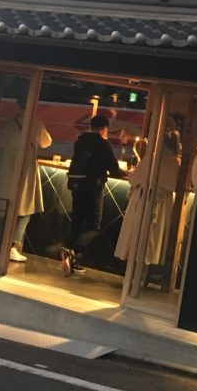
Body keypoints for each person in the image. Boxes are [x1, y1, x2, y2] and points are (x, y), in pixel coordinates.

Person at [61, 114, 127, 276]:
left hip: (77, 186)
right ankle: (74, 251)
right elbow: (114, 169)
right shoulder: (103, 144)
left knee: (76, 223)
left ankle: (70, 257)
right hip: (93, 188)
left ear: (91, 126)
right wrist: (126, 173)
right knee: (93, 227)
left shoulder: (80, 141)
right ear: (105, 129)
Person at [0, 99, 51, 263]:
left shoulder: (8, 125)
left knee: (3, 208)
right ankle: (10, 247)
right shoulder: (36, 124)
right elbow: (47, 142)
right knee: (24, 211)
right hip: (26, 174)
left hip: (5, 172)